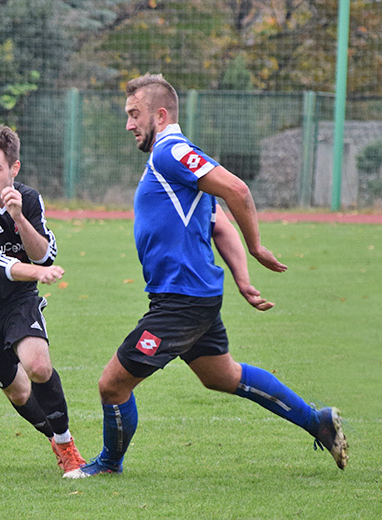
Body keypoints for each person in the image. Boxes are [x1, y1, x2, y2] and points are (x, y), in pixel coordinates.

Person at [65, 74, 348, 478]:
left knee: (112, 385)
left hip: (180, 300)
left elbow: (238, 191)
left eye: (134, 114)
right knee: (223, 376)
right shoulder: (177, 164)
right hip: (191, 295)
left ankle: (109, 465)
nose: (129, 124)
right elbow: (218, 221)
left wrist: (256, 246)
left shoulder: (171, 152)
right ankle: (317, 421)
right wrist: (242, 277)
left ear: (160, 115)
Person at [0, 125, 85, 477]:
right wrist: (38, 273)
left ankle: (68, 448)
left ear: (14, 168)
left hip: (17, 299)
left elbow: (45, 255)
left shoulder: (30, 199)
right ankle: (56, 440)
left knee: (38, 365)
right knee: (19, 392)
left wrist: (20, 218)